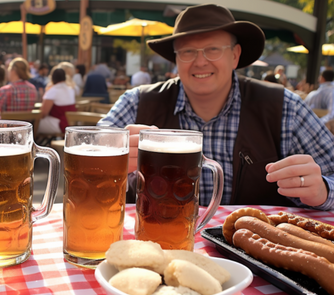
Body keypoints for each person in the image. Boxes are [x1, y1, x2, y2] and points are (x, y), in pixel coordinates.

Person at [98, 3, 334, 210]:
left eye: (213, 49)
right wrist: (108, 158)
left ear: (235, 55)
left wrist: (322, 190)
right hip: (157, 247)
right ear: (176, 59)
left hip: (254, 250)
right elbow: (88, 150)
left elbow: (331, 172)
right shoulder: (138, 101)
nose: (200, 61)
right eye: (188, 51)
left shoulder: (284, 107)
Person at [38, 68, 77, 134]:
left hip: (60, 124)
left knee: (34, 123)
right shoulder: (71, 89)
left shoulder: (53, 90)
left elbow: (43, 113)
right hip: (71, 124)